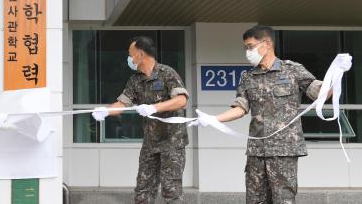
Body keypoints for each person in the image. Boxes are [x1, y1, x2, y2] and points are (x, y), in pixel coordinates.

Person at [189, 25, 328, 204]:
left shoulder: (292, 70)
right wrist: (213, 119)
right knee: (255, 200)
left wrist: (336, 75)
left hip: (283, 151)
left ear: (267, 43)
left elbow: (319, 93)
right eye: (246, 47)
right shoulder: (248, 77)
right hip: (256, 151)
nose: (248, 51)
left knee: (283, 200)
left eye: (250, 46)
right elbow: (240, 108)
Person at [92, 36, 189, 204]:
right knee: (143, 191)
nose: (129, 58)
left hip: (172, 143)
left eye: (131, 54)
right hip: (150, 144)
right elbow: (122, 103)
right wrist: (106, 111)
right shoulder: (135, 80)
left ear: (140, 54)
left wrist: (154, 107)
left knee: (171, 191)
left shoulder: (167, 73)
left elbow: (181, 100)